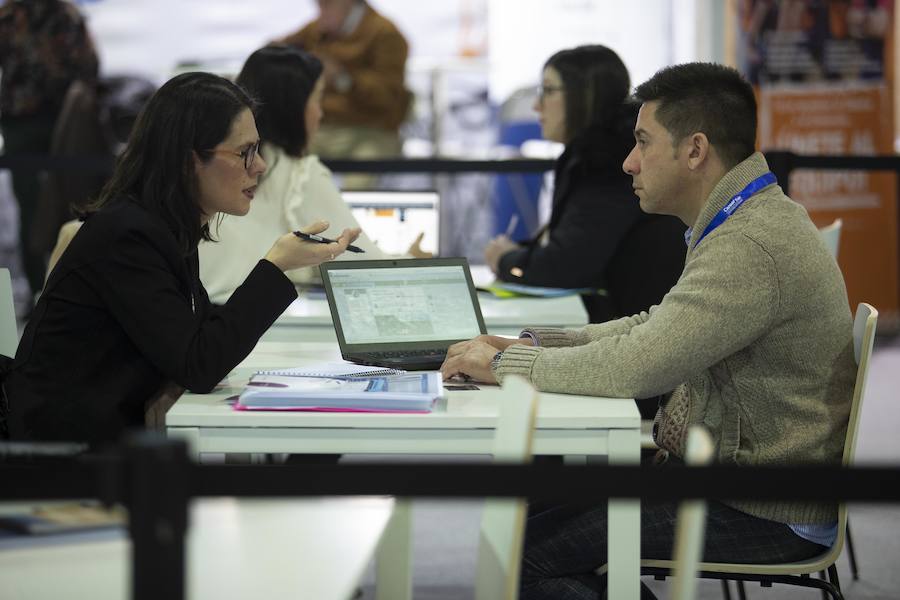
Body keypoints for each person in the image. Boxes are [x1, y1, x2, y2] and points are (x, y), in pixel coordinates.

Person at [441, 62, 856, 598]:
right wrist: (533, 344)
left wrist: (504, 366)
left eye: (643, 141)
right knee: (528, 518)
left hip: (766, 507)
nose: (629, 162)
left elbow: (641, 366)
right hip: (739, 480)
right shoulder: (745, 218)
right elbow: (658, 326)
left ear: (695, 150)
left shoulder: (750, 244)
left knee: (524, 554)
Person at [1, 72, 360, 444]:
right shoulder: (128, 235)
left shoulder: (164, 228)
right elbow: (199, 364)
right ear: (189, 160)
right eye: (244, 152)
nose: (260, 166)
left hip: (99, 441)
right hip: (54, 456)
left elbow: (194, 335)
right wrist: (276, 266)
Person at [200, 45, 425, 304]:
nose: (321, 112)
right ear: (293, 106)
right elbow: (366, 269)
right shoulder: (299, 173)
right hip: (259, 326)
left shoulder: (215, 168)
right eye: (317, 99)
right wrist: (413, 260)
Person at [484, 45, 685, 324]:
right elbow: (578, 243)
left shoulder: (608, 163)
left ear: (584, 95)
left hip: (637, 326)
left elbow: (567, 265)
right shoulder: (596, 154)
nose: (536, 105)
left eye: (548, 90)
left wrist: (507, 260)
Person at [0, 0, 99, 300]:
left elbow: (89, 67)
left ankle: (64, 287)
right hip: (31, 122)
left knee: (68, 203)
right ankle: (43, 289)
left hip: (58, 120)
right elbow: (90, 67)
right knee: (41, 204)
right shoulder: (13, 16)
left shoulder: (62, 15)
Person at [276, 0, 411, 188]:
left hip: (371, 130)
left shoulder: (386, 34)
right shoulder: (318, 29)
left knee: (358, 187)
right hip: (322, 128)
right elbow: (276, 48)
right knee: (279, 168)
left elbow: (387, 97)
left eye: (326, 5)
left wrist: (343, 79)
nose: (320, 11)